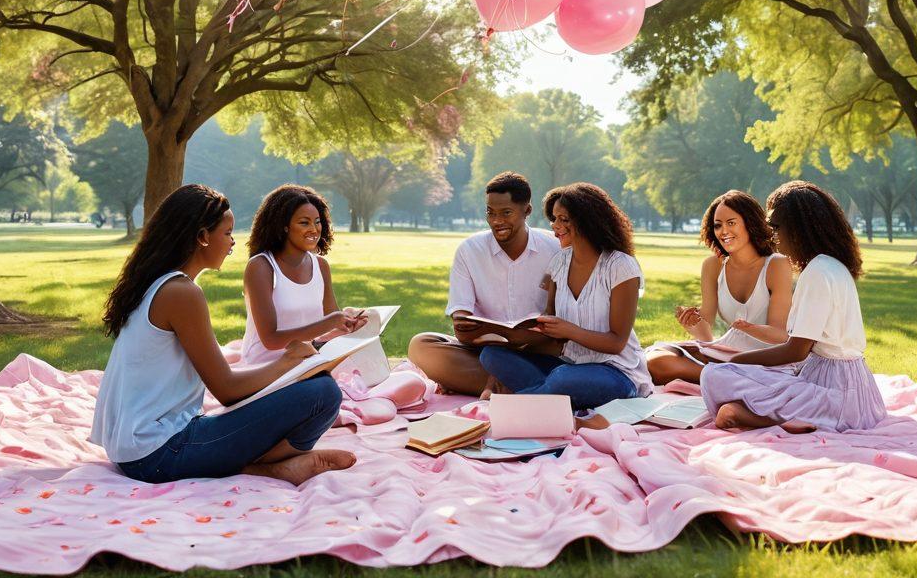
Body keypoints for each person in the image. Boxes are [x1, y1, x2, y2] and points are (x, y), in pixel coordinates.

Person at [90, 184, 354, 484]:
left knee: (314, 386)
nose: (232, 243)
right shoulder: (180, 293)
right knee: (323, 393)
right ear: (203, 237)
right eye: (227, 232)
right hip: (157, 455)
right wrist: (289, 362)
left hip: (144, 447)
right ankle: (265, 467)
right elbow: (227, 390)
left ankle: (267, 465)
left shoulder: (161, 284)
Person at [700, 180, 887, 433]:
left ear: (800, 228)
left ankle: (775, 418)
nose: (772, 236)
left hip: (838, 396)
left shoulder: (818, 271)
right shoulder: (829, 265)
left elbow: (796, 351)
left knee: (714, 375)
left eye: (776, 227)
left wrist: (736, 362)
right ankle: (772, 415)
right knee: (727, 376)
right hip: (849, 388)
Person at [479, 182, 654, 411]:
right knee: (491, 356)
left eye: (564, 219)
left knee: (562, 379)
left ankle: (513, 405)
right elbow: (550, 320)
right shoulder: (559, 263)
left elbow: (617, 342)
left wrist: (569, 330)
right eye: (554, 219)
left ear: (587, 220)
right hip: (569, 364)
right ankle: (547, 396)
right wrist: (520, 333)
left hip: (617, 372)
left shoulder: (621, 267)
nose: (556, 226)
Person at [408, 172, 563, 397]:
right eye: (490, 213)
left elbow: (563, 320)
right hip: (484, 351)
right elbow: (461, 323)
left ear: (527, 211)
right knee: (421, 346)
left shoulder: (555, 249)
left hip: (537, 350)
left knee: (561, 353)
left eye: (506, 213)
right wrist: (499, 342)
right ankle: (523, 383)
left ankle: (502, 382)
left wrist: (521, 341)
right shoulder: (469, 251)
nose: (497, 221)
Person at [646, 190, 793, 384]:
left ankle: (725, 380)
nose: (723, 232)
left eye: (731, 223)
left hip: (766, 361)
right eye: (718, 225)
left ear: (750, 223)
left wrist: (749, 328)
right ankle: (724, 380)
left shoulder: (776, 264)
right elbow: (706, 337)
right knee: (656, 360)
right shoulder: (712, 266)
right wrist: (693, 323)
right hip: (726, 356)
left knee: (665, 366)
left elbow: (781, 336)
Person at [241, 185, 364, 366]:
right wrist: (331, 322)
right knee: (327, 389)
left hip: (305, 363)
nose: (314, 229)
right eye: (304, 222)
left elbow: (330, 326)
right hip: (265, 368)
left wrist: (349, 322)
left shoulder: (321, 266)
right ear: (283, 227)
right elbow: (271, 340)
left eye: (317, 221)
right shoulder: (261, 266)